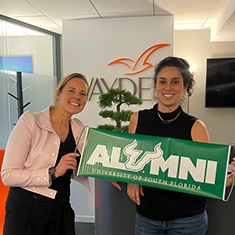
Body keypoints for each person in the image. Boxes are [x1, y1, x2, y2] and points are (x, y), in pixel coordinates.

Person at [110, 56, 235, 235]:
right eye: (162, 81)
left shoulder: (196, 127)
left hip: (188, 219)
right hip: (147, 216)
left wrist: (229, 180)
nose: (168, 87)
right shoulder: (138, 119)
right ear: (155, 85)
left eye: (175, 82)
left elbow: (206, 175)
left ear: (185, 87)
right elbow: (131, 161)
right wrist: (130, 178)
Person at [1, 73, 91, 235]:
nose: (77, 97)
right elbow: (7, 175)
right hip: (27, 209)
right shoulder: (30, 121)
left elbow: (85, 164)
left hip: (61, 207)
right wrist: (53, 172)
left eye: (82, 93)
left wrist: (109, 171)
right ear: (58, 93)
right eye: (71, 90)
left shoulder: (79, 127)